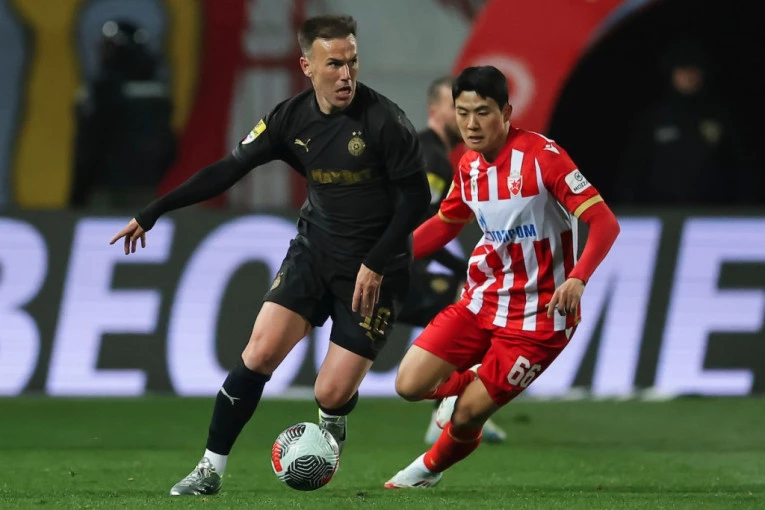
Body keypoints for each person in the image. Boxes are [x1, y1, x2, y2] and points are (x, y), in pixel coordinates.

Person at [108, 15, 430, 496]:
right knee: (258, 353)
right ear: (307, 66)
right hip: (314, 253)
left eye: (353, 62)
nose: (346, 75)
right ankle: (209, 469)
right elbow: (228, 169)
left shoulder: (386, 121)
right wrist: (154, 211)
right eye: (334, 64)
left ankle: (333, 413)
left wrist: (377, 260)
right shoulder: (289, 118)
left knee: (330, 392)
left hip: (375, 271)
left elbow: (416, 200)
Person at [383, 66, 621, 488]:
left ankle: (426, 471)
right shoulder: (468, 166)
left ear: (506, 112)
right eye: (462, 113)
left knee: (467, 415)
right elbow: (446, 223)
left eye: (482, 112)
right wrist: (387, 258)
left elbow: (604, 222)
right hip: (483, 300)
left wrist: (578, 278)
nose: (471, 124)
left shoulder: (544, 157)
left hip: (541, 318)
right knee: (408, 384)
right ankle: (468, 382)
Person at [397, 75, 507, 445]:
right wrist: (465, 271)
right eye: (457, 109)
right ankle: (454, 412)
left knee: (465, 313)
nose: (467, 120)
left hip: (395, 266)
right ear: (434, 110)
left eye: (474, 110)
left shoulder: (425, 151)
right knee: (473, 314)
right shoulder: (431, 158)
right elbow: (425, 227)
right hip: (397, 270)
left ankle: (456, 410)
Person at [616, 38, 748, 205]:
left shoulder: (719, 117)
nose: (688, 76)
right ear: (671, 73)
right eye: (682, 69)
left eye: (693, 69)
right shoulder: (654, 119)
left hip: (712, 213)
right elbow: (633, 171)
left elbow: (739, 167)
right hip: (660, 212)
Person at [71, 19, 176, 209]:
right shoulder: (157, 89)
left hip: (105, 190)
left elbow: (89, 146)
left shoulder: (103, 90)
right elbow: (169, 146)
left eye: (108, 47)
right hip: (145, 188)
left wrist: (78, 194)